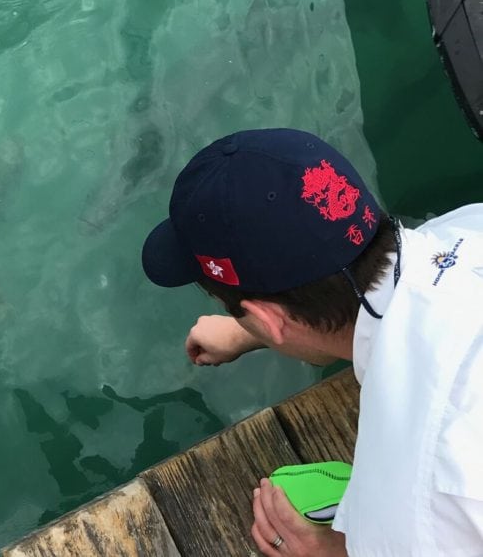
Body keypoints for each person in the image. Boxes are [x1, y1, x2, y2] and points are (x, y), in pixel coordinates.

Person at [140, 128, 483, 556]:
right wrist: (251, 329)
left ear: (271, 318)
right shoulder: (465, 227)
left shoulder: (419, 509)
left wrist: (332, 552)